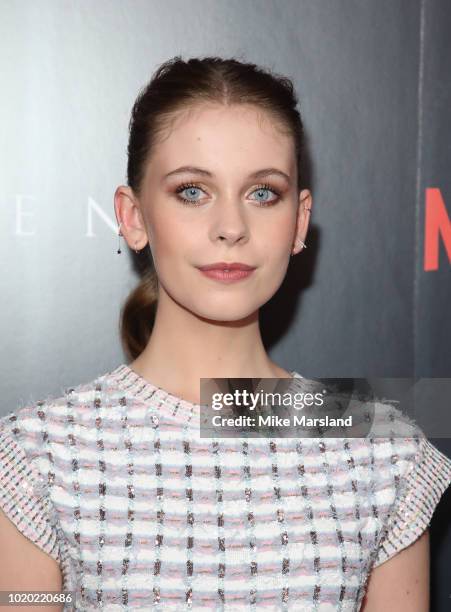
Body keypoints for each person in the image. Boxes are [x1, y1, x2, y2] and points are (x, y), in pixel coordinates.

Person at [1, 55, 450, 612]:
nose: (232, 228)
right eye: (193, 191)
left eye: (263, 193)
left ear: (299, 221)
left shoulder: (382, 448)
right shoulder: (43, 453)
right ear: (134, 217)